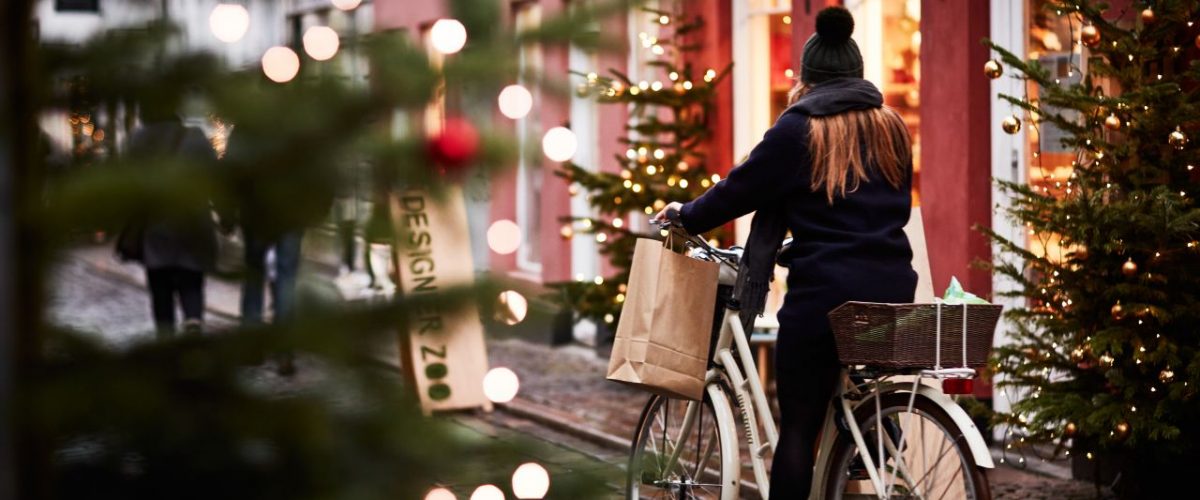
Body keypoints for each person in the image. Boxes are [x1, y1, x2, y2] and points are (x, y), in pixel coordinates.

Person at [653, 7, 917, 496]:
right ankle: (870, 447)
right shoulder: (892, 126)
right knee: (858, 393)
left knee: (798, 428)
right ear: (856, 74)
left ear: (808, 80)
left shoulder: (800, 130)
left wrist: (684, 216)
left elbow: (738, 190)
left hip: (824, 296)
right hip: (893, 289)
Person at [123, 99, 219, 338]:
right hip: (193, 220)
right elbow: (218, 179)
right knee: (191, 279)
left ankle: (166, 337)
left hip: (156, 223)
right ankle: (193, 321)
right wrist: (226, 215)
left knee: (160, 286)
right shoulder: (195, 137)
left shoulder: (138, 139)